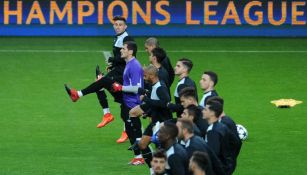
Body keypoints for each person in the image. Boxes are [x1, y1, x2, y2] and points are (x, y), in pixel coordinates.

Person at [66, 41, 145, 165]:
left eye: (123, 48)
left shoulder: (134, 66)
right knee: (105, 81)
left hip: (132, 102)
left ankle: (142, 156)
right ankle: (139, 157)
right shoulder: (128, 64)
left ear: (130, 51)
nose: (121, 50)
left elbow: (138, 87)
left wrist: (120, 87)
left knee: (131, 128)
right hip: (126, 98)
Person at [64, 16, 133, 143]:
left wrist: (113, 60)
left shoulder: (127, 38)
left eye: (120, 24)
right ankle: (108, 115)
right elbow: (120, 58)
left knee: (121, 97)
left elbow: (128, 56)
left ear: (125, 26)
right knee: (102, 83)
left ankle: (79, 95)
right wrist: (112, 64)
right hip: (118, 71)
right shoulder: (118, 37)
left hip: (124, 73)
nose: (117, 26)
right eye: (116, 24)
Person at [128, 65, 172, 167]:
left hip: (163, 123)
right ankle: (152, 170)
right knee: (142, 145)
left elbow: (165, 104)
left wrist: (146, 100)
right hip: (154, 121)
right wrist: (148, 112)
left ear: (151, 76)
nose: (144, 78)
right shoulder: (154, 86)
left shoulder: (160, 88)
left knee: (163, 151)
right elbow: (156, 104)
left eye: (145, 76)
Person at [206, 96, 242, 174]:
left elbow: (237, 143)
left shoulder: (224, 123)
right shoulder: (224, 121)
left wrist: (230, 158)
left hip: (225, 164)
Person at [202, 100, 234, 174]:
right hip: (226, 165)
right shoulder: (222, 126)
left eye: (205, 109)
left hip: (218, 169)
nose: (202, 111)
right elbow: (235, 142)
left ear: (212, 113)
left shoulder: (212, 131)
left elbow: (213, 154)